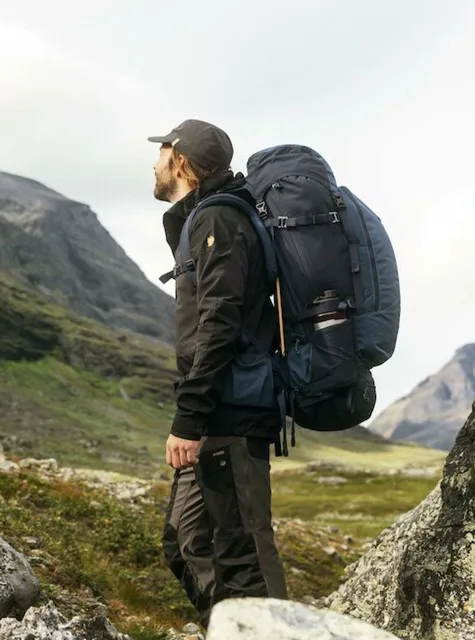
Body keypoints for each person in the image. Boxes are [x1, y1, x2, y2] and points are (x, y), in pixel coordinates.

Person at [149, 119, 288, 627]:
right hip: (214, 412)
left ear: (181, 161)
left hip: (232, 411)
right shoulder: (199, 221)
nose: (155, 163)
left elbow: (219, 323)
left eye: (161, 152)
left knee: (243, 553)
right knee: (187, 544)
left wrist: (188, 418)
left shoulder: (219, 222)